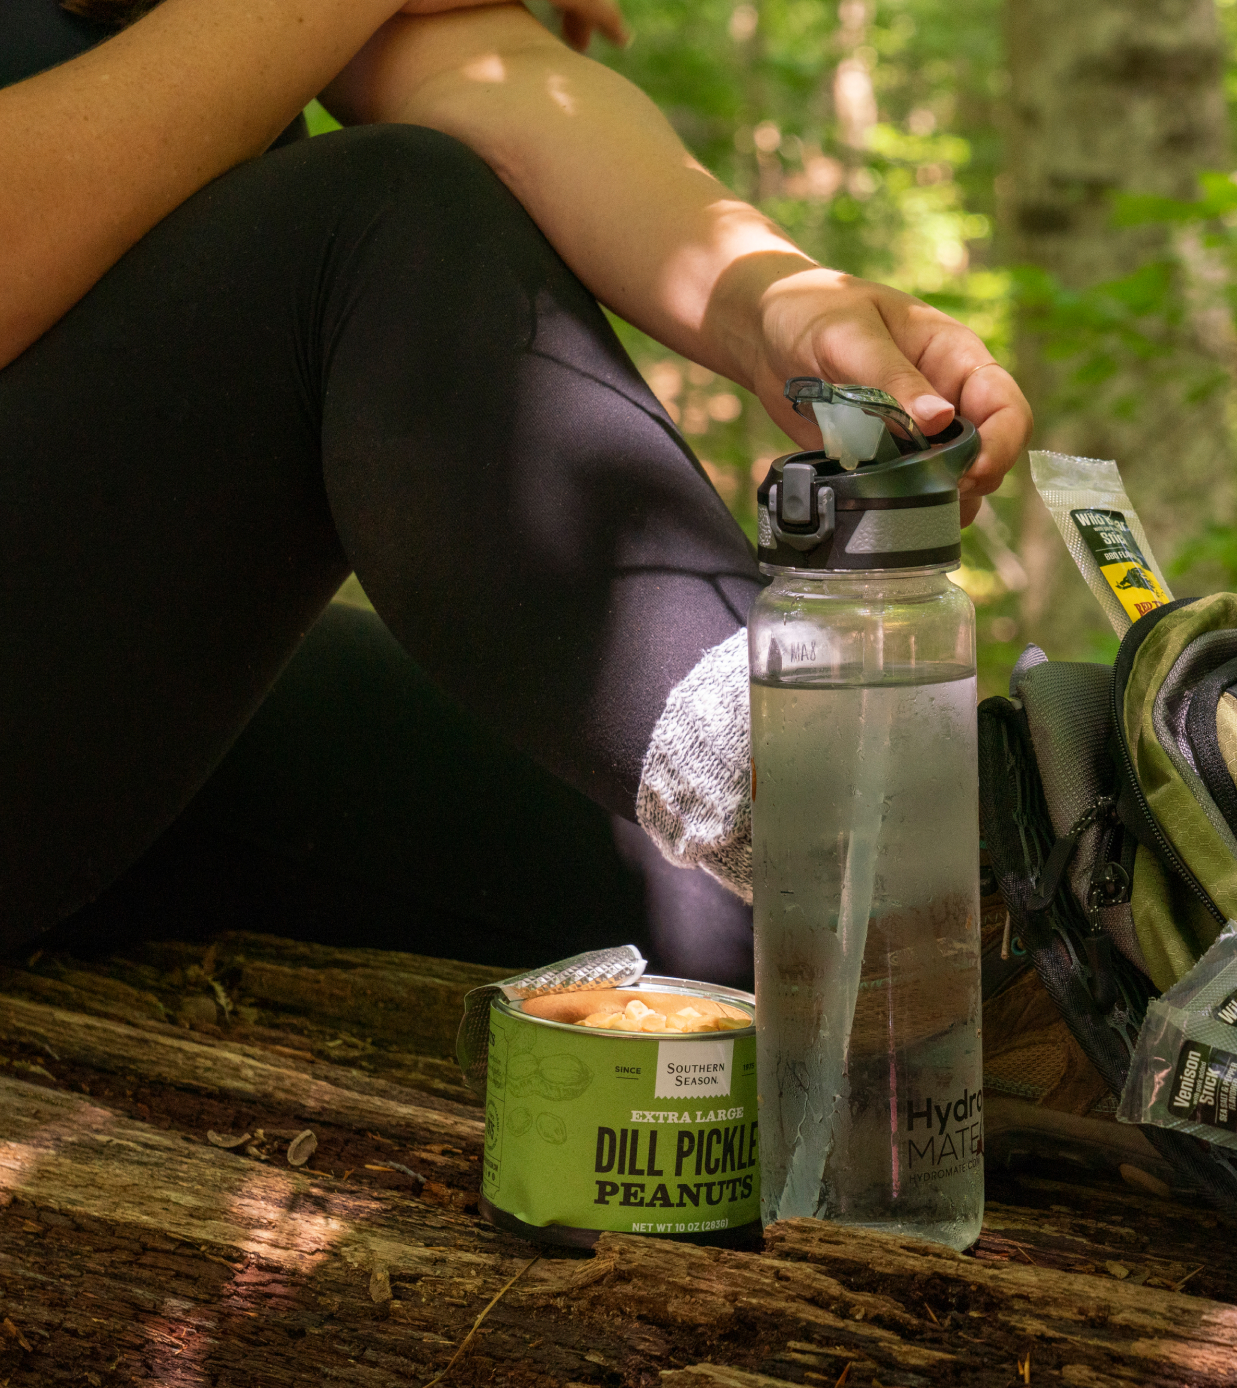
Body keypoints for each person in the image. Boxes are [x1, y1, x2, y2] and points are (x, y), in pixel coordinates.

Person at [0, 0, 1031, 981]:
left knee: (747, 907)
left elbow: (488, 80)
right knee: (378, 216)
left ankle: (1036, 907)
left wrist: (775, 302)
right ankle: (891, 824)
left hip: (124, 718)